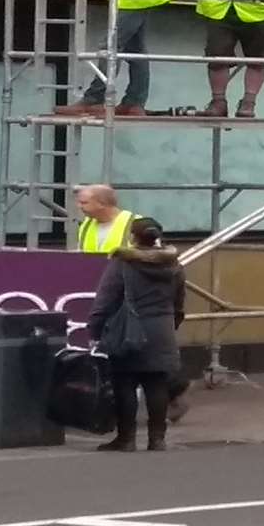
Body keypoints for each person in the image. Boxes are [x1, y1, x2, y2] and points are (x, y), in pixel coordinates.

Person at [87, 216, 185, 452]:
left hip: (128, 330)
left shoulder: (122, 263)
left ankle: (127, 439)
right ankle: (157, 439)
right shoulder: (174, 265)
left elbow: (105, 300)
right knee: (157, 384)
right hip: (162, 329)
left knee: (125, 382)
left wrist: (95, 329)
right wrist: (172, 324)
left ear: (132, 236)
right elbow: (179, 302)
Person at [75, 184, 137, 255]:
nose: (79, 206)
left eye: (84, 203)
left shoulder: (135, 223)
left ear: (102, 204)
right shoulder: (86, 224)